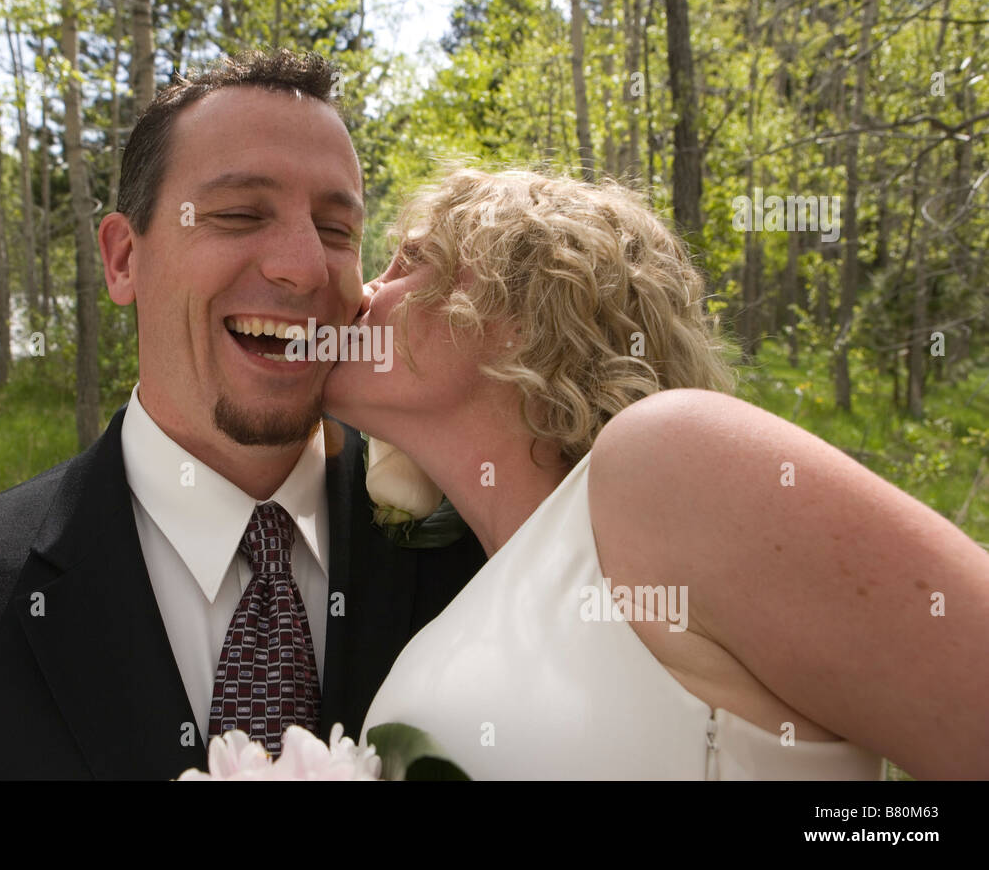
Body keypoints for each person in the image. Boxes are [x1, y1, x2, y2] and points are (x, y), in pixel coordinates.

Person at [0, 50, 485, 780]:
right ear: (123, 259)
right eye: (237, 214)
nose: (303, 266)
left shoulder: (480, 557)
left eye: (336, 230)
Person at [324, 168, 989, 779]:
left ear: (522, 312)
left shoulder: (665, 461)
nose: (363, 292)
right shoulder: (456, 605)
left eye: (411, 261)